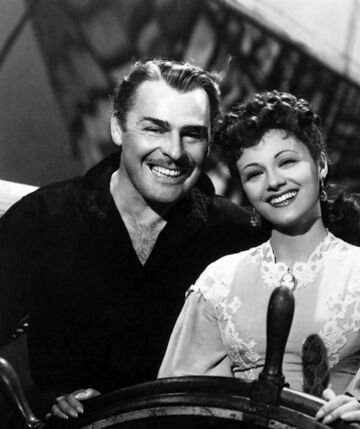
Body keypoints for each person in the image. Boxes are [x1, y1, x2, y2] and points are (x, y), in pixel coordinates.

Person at [0, 58, 266, 418]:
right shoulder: (45, 218)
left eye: (192, 134)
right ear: (117, 127)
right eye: (155, 129)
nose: (174, 152)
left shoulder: (239, 235)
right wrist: (38, 404)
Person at [157, 90, 360, 428]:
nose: (274, 182)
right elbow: (180, 406)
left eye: (287, 162)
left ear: (320, 164)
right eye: (254, 173)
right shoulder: (217, 283)